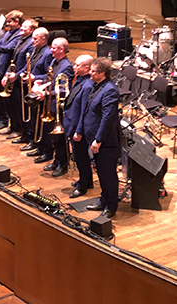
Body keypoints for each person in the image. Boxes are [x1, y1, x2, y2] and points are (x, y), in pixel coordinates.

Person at [75, 57, 121, 218]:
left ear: (102, 73)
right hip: (93, 138)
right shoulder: (96, 86)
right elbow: (86, 110)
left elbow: (107, 118)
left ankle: (111, 206)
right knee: (101, 173)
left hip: (106, 143)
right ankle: (103, 199)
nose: (90, 73)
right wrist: (80, 130)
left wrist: (98, 140)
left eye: (94, 71)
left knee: (108, 174)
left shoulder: (110, 90)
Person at [36, 37, 74, 173]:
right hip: (49, 104)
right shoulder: (54, 61)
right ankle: (56, 160)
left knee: (59, 138)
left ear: (61, 49)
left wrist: (46, 94)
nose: (51, 50)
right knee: (52, 136)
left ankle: (63, 165)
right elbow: (49, 79)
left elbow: (64, 89)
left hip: (57, 106)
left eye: (53, 47)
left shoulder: (67, 67)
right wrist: (40, 82)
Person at [63, 54, 94, 197]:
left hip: (78, 128)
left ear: (87, 68)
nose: (74, 67)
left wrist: (79, 131)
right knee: (81, 157)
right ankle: (87, 181)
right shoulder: (80, 80)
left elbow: (84, 110)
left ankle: (83, 186)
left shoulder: (88, 85)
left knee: (81, 157)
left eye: (77, 65)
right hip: (73, 124)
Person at [20, 28, 53, 152]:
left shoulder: (47, 53)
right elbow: (28, 67)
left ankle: (43, 147)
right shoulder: (35, 50)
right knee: (33, 119)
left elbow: (49, 75)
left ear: (43, 39)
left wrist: (35, 77)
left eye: (35, 38)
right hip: (31, 89)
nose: (32, 41)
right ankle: (34, 142)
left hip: (39, 90)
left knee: (39, 121)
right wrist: (23, 74)